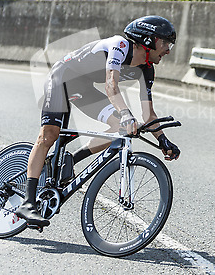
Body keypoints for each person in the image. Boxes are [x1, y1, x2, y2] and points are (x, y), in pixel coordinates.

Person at [15, 15, 181, 227]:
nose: (168, 49)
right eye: (165, 43)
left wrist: (163, 141)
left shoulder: (147, 69)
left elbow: (149, 114)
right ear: (148, 40)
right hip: (62, 78)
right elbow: (111, 86)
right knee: (49, 135)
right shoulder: (119, 45)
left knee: (119, 127)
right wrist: (127, 114)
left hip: (81, 88)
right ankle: (28, 202)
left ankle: (71, 161)